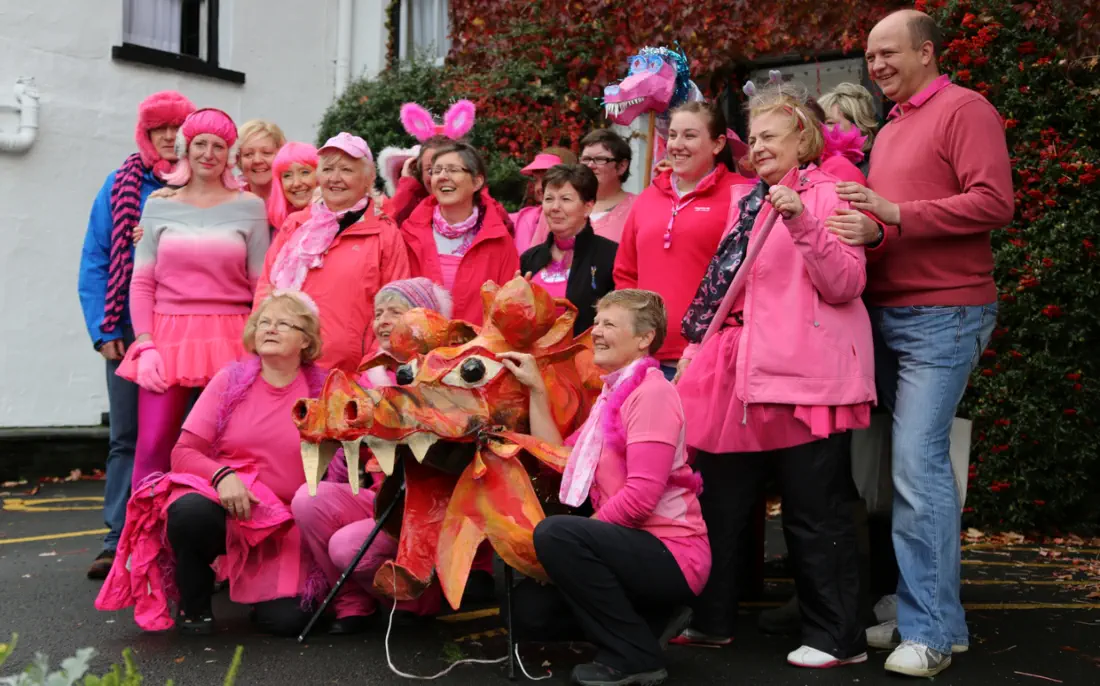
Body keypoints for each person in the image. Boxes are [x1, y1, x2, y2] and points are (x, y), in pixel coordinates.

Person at [829, 9, 1013, 677]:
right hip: (887, 314)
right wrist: (873, 232)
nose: (876, 65)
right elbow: (892, 227)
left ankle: (929, 632)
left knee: (917, 467)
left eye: (889, 52)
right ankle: (932, 618)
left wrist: (895, 215)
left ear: (928, 52)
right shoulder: (893, 125)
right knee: (902, 470)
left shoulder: (965, 109)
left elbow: (995, 202)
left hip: (945, 314)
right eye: (870, 55)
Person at [671, 85, 874, 669]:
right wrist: (697, 346)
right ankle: (711, 621)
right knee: (720, 502)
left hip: (807, 376)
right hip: (738, 371)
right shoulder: (747, 200)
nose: (757, 146)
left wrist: (802, 220)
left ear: (803, 140)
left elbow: (845, 284)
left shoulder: (831, 194)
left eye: (770, 137)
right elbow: (724, 284)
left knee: (814, 510)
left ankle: (838, 639)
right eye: (753, 137)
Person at [499, 289, 709, 686]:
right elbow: (559, 459)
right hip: (629, 546)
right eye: (596, 322)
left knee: (557, 536)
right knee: (526, 613)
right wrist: (536, 389)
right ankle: (651, 621)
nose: (595, 331)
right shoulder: (612, 394)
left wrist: (575, 544)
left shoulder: (652, 393)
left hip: (672, 553)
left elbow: (641, 499)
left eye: (609, 324)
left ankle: (635, 657)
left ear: (644, 338)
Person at [96, 291, 328, 636]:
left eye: (283, 323)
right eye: (263, 322)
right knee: (189, 512)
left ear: (306, 340)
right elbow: (183, 452)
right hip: (229, 507)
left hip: (286, 524)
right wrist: (222, 476)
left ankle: (257, 589)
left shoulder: (325, 391)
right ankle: (194, 603)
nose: (269, 329)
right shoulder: (230, 381)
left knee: (291, 621)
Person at [116, 108, 269, 489]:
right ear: (186, 148)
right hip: (168, 335)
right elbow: (142, 282)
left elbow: (261, 284)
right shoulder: (158, 205)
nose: (208, 153)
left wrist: (260, 344)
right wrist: (145, 344)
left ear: (230, 154)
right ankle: (146, 527)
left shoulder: (250, 207)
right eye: (201, 143)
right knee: (153, 445)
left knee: (228, 447)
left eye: (219, 146)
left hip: (232, 335)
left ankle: (219, 526)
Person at [78, 90, 196, 580]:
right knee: (127, 436)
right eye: (157, 129)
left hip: (190, 328)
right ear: (144, 134)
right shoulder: (120, 185)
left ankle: (180, 543)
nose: (168, 137)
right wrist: (103, 328)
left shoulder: (205, 182)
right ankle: (116, 541)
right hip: (128, 329)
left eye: (176, 128)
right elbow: (97, 257)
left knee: (188, 435)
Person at [292, 278, 453, 634]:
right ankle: (352, 603)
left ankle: (415, 604)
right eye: (378, 313)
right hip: (383, 498)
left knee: (348, 547)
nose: (382, 321)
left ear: (426, 318)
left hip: (432, 507)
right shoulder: (366, 378)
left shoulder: (449, 375)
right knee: (308, 499)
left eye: (394, 312)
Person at [613, 101, 752, 379]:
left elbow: (750, 278)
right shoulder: (647, 198)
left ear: (717, 144)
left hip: (712, 356)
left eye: (689, 135)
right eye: (673, 135)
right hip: (646, 357)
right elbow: (626, 273)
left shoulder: (742, 195)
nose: (677, 145)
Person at [256, 132, 411, 373]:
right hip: (288, 369)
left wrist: (372, 370)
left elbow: (396, 311)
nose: (335, 178)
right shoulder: (296, 225)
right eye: (328, 169)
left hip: (351, 376)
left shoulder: (385, 234)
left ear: (368, 178)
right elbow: (266, 288)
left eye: (346, 170)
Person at [399, 141, 519, 325]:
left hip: (479, 342)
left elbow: (508, 312)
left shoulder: (499, 240)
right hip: (419, 342)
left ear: (477, 182)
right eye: (436, 171)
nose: (442, 176)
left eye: (453, 170)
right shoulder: (409, 234)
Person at [519, 164, 617, 334]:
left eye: (565, 199)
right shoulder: (530, 258)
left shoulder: (610, 256)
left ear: (588, 207)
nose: (555, 207)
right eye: (549, 199)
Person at [512, 146, 577, 253]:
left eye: (548, 180)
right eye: (536, 180)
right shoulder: (525, 218)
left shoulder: (586, 221)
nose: (539, 187)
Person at [579, 129, 636, 242]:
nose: (590, 165)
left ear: (621, 166)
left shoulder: (639, 208)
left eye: (600, 159)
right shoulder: (564, 204)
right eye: (586, 159)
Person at [819, 82, 879, 175]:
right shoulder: (811, 165)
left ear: (858, 125)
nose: (819, 129)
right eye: (817, 123)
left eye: (829, 123)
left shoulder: (874, 169)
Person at [266, 141, 319, 237]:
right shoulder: (275, 227)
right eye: (287, 175)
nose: (296, 183)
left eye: (305, 172)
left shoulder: (336, 221)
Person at [237, 119, 286, 202]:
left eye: (266, 152)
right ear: (238, 159)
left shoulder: (297, 197)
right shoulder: (229, 201)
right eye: (248, 154)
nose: (257, 160)